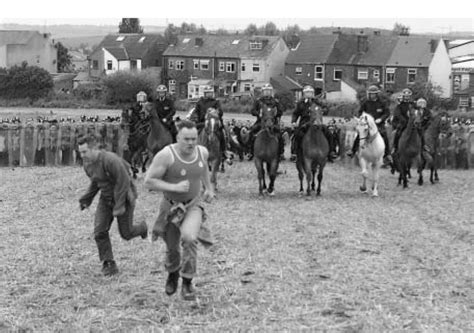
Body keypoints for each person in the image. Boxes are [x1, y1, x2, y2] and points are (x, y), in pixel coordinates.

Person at [144, 119, 215, 301]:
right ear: (178, 138)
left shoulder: (202, 152)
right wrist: (174, 187)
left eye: (194, 139)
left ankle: (187, 281)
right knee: (173, 248)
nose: (191, 143)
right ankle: (173, 273)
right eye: (186, 139)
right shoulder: (166, 155)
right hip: (170, 206)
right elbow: (149, 181)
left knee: (190, 238)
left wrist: (208, 188)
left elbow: (203, 168)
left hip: (193, 205)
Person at [78, 133, 148, 276]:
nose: (82, 155)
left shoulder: (110, 160)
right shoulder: (87, 165)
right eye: (80, 152)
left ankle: (142, 228)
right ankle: (109, 263)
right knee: (99, 231)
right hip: (106, 199)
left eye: (84, 152)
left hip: (124, 197)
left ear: (93, 149)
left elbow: (123, 182)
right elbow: (96, 182)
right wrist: (86, 199)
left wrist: (119, 205)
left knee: (126, 234)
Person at [347, 85, 392, 166]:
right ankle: (353, 151)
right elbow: (360, 112)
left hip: (378, 124)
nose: (372, 95)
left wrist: (381, 119)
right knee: (360, 135)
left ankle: (387, 155)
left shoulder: (382, 103)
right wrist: (362, 118)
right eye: (370, 94)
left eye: (374, 94)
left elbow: (387, 113)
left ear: (377, 94)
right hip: (366, 124)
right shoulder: (365, 102)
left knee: (384, 136)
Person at [290, 85, 336, 162]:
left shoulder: (318, 102)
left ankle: (331, 151)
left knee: (329, 134)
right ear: (304, 94)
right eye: (307, 93)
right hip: (305, 123)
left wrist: (323, 109)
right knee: (297, 135)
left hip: (318, 123)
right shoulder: (300, 103)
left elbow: (326, 108)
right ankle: (295, 153)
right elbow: (295, 113)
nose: (309, 94)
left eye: (310, 93)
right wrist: (294, 121)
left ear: (313, 93)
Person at [188, 85, 231, 164]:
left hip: (214, 122)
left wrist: (216, 112)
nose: (209, 94)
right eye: (207, 93)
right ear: (204, 94)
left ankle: (224, 151)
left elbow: (220, 112)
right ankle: (190, 150)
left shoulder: (216, 102)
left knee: (223, 132)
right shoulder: (200, 102)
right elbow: (195, 112)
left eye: (210, 93)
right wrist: (194, 118)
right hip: (202, 122)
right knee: (192, 132)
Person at [248, 83, 285, 160]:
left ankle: (280, 153)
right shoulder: (258, 101)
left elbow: (281, 111)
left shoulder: (275, 102)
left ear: (271, 92)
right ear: (263, 92)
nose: (267, 92)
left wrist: (276, 113)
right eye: (265, 91)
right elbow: (252, 111)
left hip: (273, 122)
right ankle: (251, 151)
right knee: (251, 133)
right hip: (260, 122)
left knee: (279, 135)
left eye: (268, 91)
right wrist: (258, 113)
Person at [391, 88, 415, 155]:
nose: (407, 97)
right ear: (403, 96)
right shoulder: (400, 105)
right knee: (398, 133)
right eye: (405, 96)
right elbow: (398, 114)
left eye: (408, 96)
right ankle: (395, 147)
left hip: (412, 123)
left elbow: (415, 112)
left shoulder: (413, 104)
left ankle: (423, 147)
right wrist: (403, 120)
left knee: (420, 131)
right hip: (403, 123)